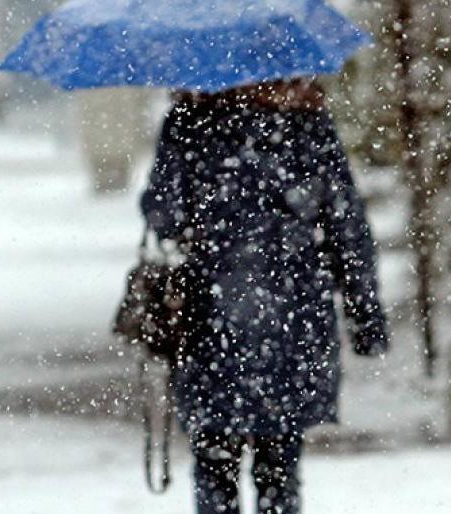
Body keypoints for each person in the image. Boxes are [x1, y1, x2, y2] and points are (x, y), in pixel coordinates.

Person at [140, 79, 389, 514]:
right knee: (280, 464)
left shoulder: (189, 121)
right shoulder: (307, 122)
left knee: (214, 463)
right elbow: (346, 225)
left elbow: (165, 215)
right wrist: (364, 313)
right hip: (292, 313)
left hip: (212, 317)